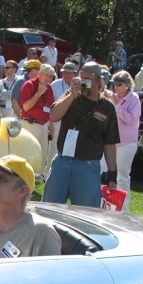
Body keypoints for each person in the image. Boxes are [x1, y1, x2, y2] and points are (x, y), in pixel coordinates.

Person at [42, 61, 120, 208]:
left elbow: (110, 143)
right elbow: (53, 116)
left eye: (87, 79)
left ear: (98, 81)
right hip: (62, 161)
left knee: (86, 213)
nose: (83, 83)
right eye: (81, 78)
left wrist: (112, 173)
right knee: (48, 209)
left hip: (88, 166)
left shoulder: (107, 107)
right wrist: (72, 94)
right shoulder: (71, 95)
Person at [109, 70, 141, 211]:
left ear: (127, 85)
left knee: (122, 175)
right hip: (112, 141)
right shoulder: (114, 98)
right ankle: (109, 203)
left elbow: (132, 119)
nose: (116, 87)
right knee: (108, 173)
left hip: (127, 142)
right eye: (114, 84)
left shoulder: (134, 98)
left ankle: (124, 208)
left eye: (119, 84)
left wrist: (116, 107)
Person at [19, 63, 56, 170]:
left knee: (42, 155)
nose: (48, 78)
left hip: (44, 125)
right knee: (29, 153)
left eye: (51, 76)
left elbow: (50, 108)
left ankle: (38, 178)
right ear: (40, 73)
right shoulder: (29, 85)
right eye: (46, 75)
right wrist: (38, 93)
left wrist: (51, 126)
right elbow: (26, 107)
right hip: (30, 124)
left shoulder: (49, 88)